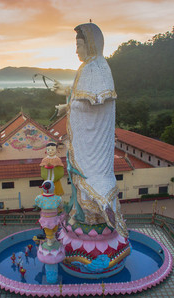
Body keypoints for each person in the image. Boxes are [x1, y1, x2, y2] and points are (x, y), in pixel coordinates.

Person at [52, 23, 127, 237]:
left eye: (79, 45)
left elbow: (92, 103)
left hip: (93, 142)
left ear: (92, 45)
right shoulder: (89, 68)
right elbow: (80, 100)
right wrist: (66, 104)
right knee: (78, 176)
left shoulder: (97, 68)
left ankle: (98, 215)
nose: (76, 51)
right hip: (85, 140)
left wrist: (68, 101)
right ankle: (82, 213)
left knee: (90, 175)